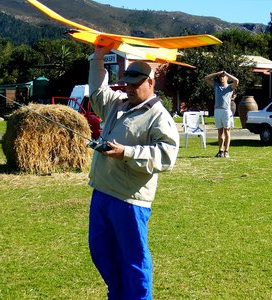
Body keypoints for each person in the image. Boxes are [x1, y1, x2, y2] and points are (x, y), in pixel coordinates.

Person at [88, 45, 179, 299]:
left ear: (150, 82)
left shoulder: (160, 117)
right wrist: (98, 57)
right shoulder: (117, 104)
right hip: (102, 192)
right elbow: (97, 92)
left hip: (130, 200)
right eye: (126, 81)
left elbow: (166, 156)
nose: (128, 87)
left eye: (135, 82)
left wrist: (126, 153)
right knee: (101, 251)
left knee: (134, 259)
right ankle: (117, 294)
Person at [205, 71, 239, 158]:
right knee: (220, 131)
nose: (222, 78)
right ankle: (220, 151)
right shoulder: (217, 85)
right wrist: (217, 73)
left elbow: (236, 80)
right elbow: (206, 78)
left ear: (227, 78)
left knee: (227, 131)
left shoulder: (230, 87)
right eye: (220, 77)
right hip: (217, 110)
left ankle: (226, 151)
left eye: (223, 77)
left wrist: (226, 73)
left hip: (226, 111)